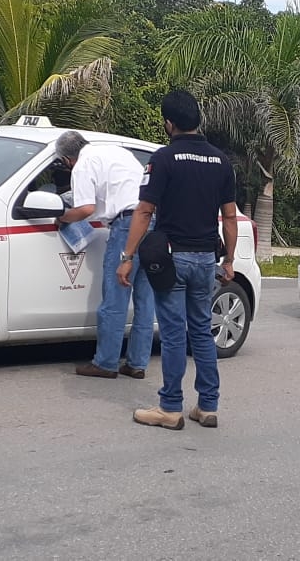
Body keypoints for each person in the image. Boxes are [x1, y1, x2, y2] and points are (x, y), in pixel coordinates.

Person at [116, 89, 238, 430]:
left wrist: (127, 257)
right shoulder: (221, 161)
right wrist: (229, 260)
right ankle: (208, 406)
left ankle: (170, 407)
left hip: (173, 259)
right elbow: (229, 217)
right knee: (201, 331)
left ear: (169, 123)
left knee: (172, 334)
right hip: (205, 260)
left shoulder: (163, 159)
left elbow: (144, 210)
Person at [53, 131, 155, 380]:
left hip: (126, 226)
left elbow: (86, 208)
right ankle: (137, 363)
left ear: (68, 160)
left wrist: (63, 217)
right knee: (145, 300)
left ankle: (106, 362)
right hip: (152, 222)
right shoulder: (117, 152)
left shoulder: (82, 165)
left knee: (115, 297)